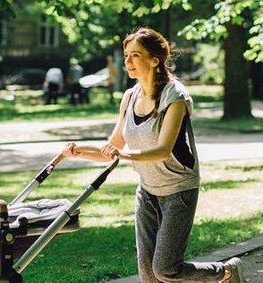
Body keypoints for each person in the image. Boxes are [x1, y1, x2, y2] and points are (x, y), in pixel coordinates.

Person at [61, 27, 244, 282]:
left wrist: (122, 155)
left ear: (154, 60)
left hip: (178, 190)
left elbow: (163, 149)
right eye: (126, 55)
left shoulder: (174, 95)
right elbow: (111, 147)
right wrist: (78, 151)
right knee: (148, 275)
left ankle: (225, 272)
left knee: (166, 269)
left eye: (135, 55)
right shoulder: (129, 97)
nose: (128, 62)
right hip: (147, 190)